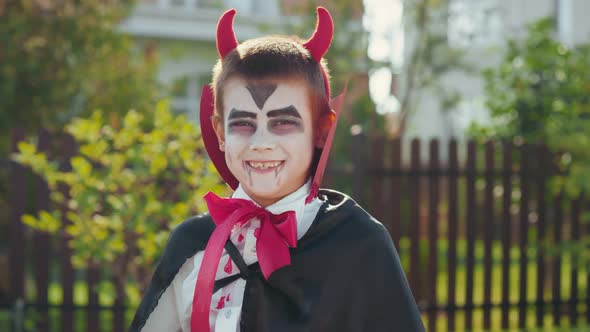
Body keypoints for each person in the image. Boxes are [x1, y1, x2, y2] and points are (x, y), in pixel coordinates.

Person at [130, 7, 424, 332]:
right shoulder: (192, 243)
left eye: (283, 122)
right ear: (219, 133)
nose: (261, 143)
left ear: (321, 129)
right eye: (242, 123)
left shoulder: (359, 242)